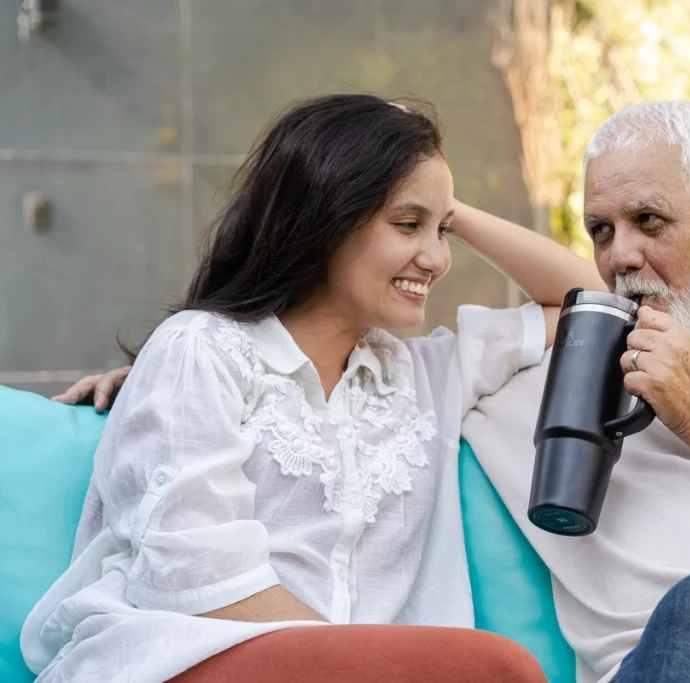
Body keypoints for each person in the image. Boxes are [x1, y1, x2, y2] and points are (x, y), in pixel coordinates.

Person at [53, 100, 690, 683]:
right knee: (683, 630)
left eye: (650, 220)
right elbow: (579, 301)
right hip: (658, 670)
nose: (621, 254)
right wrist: (167, 375)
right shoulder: (534, 374)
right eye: (600, 226)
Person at [24, 94, 607, 683]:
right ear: (327, 215)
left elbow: (595, 305)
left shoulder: (424, 376)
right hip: (184, 658)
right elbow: (195, 578)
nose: (436, 258)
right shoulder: (201, 349)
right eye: (408, 225)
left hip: (351, 669)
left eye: (443, 230)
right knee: (498, 670)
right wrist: (366, 667)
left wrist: (436, 193)